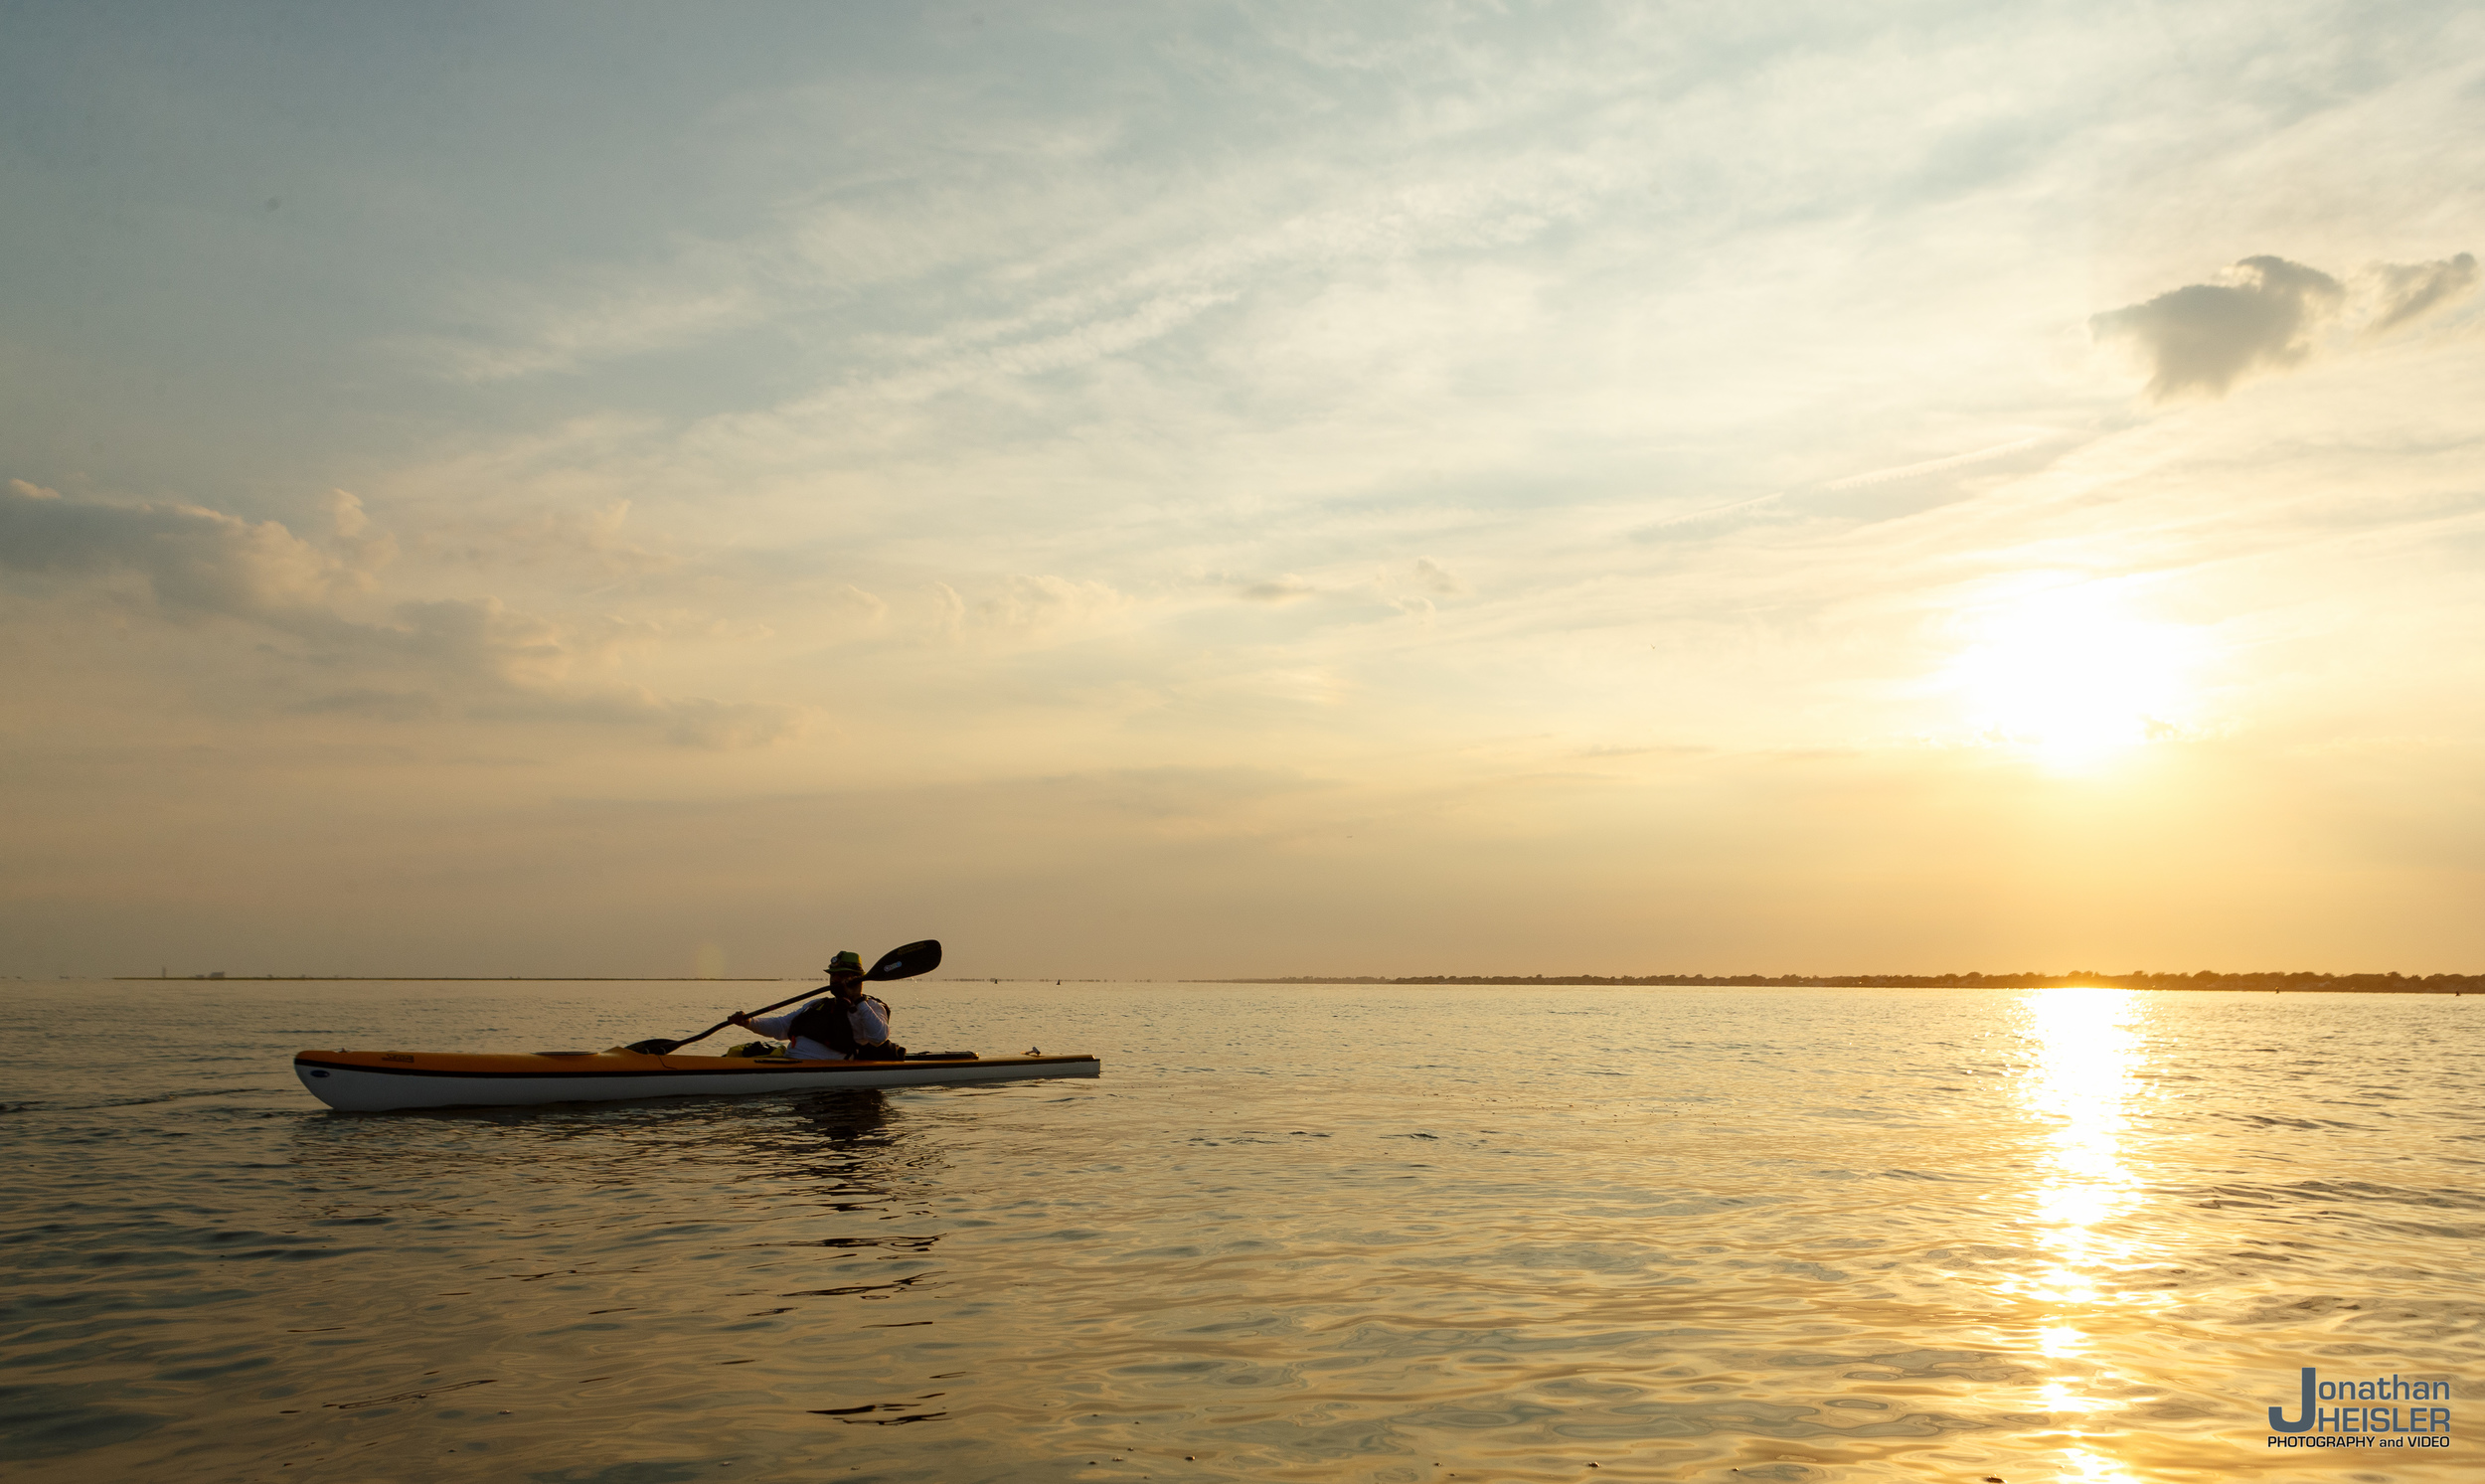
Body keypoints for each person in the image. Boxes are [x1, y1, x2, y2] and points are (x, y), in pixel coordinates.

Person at [729, 950, 906, 1061]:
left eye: (841, 975)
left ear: (855, 978)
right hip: (789, 1062)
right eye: (832, 975)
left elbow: (878, 1038)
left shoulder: (871, 1007)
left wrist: (858, 998)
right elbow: (781, 1027)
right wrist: (749, 1022)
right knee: (735, 1053)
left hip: (818, 1071)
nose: (834, 979)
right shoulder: (817, 1005)